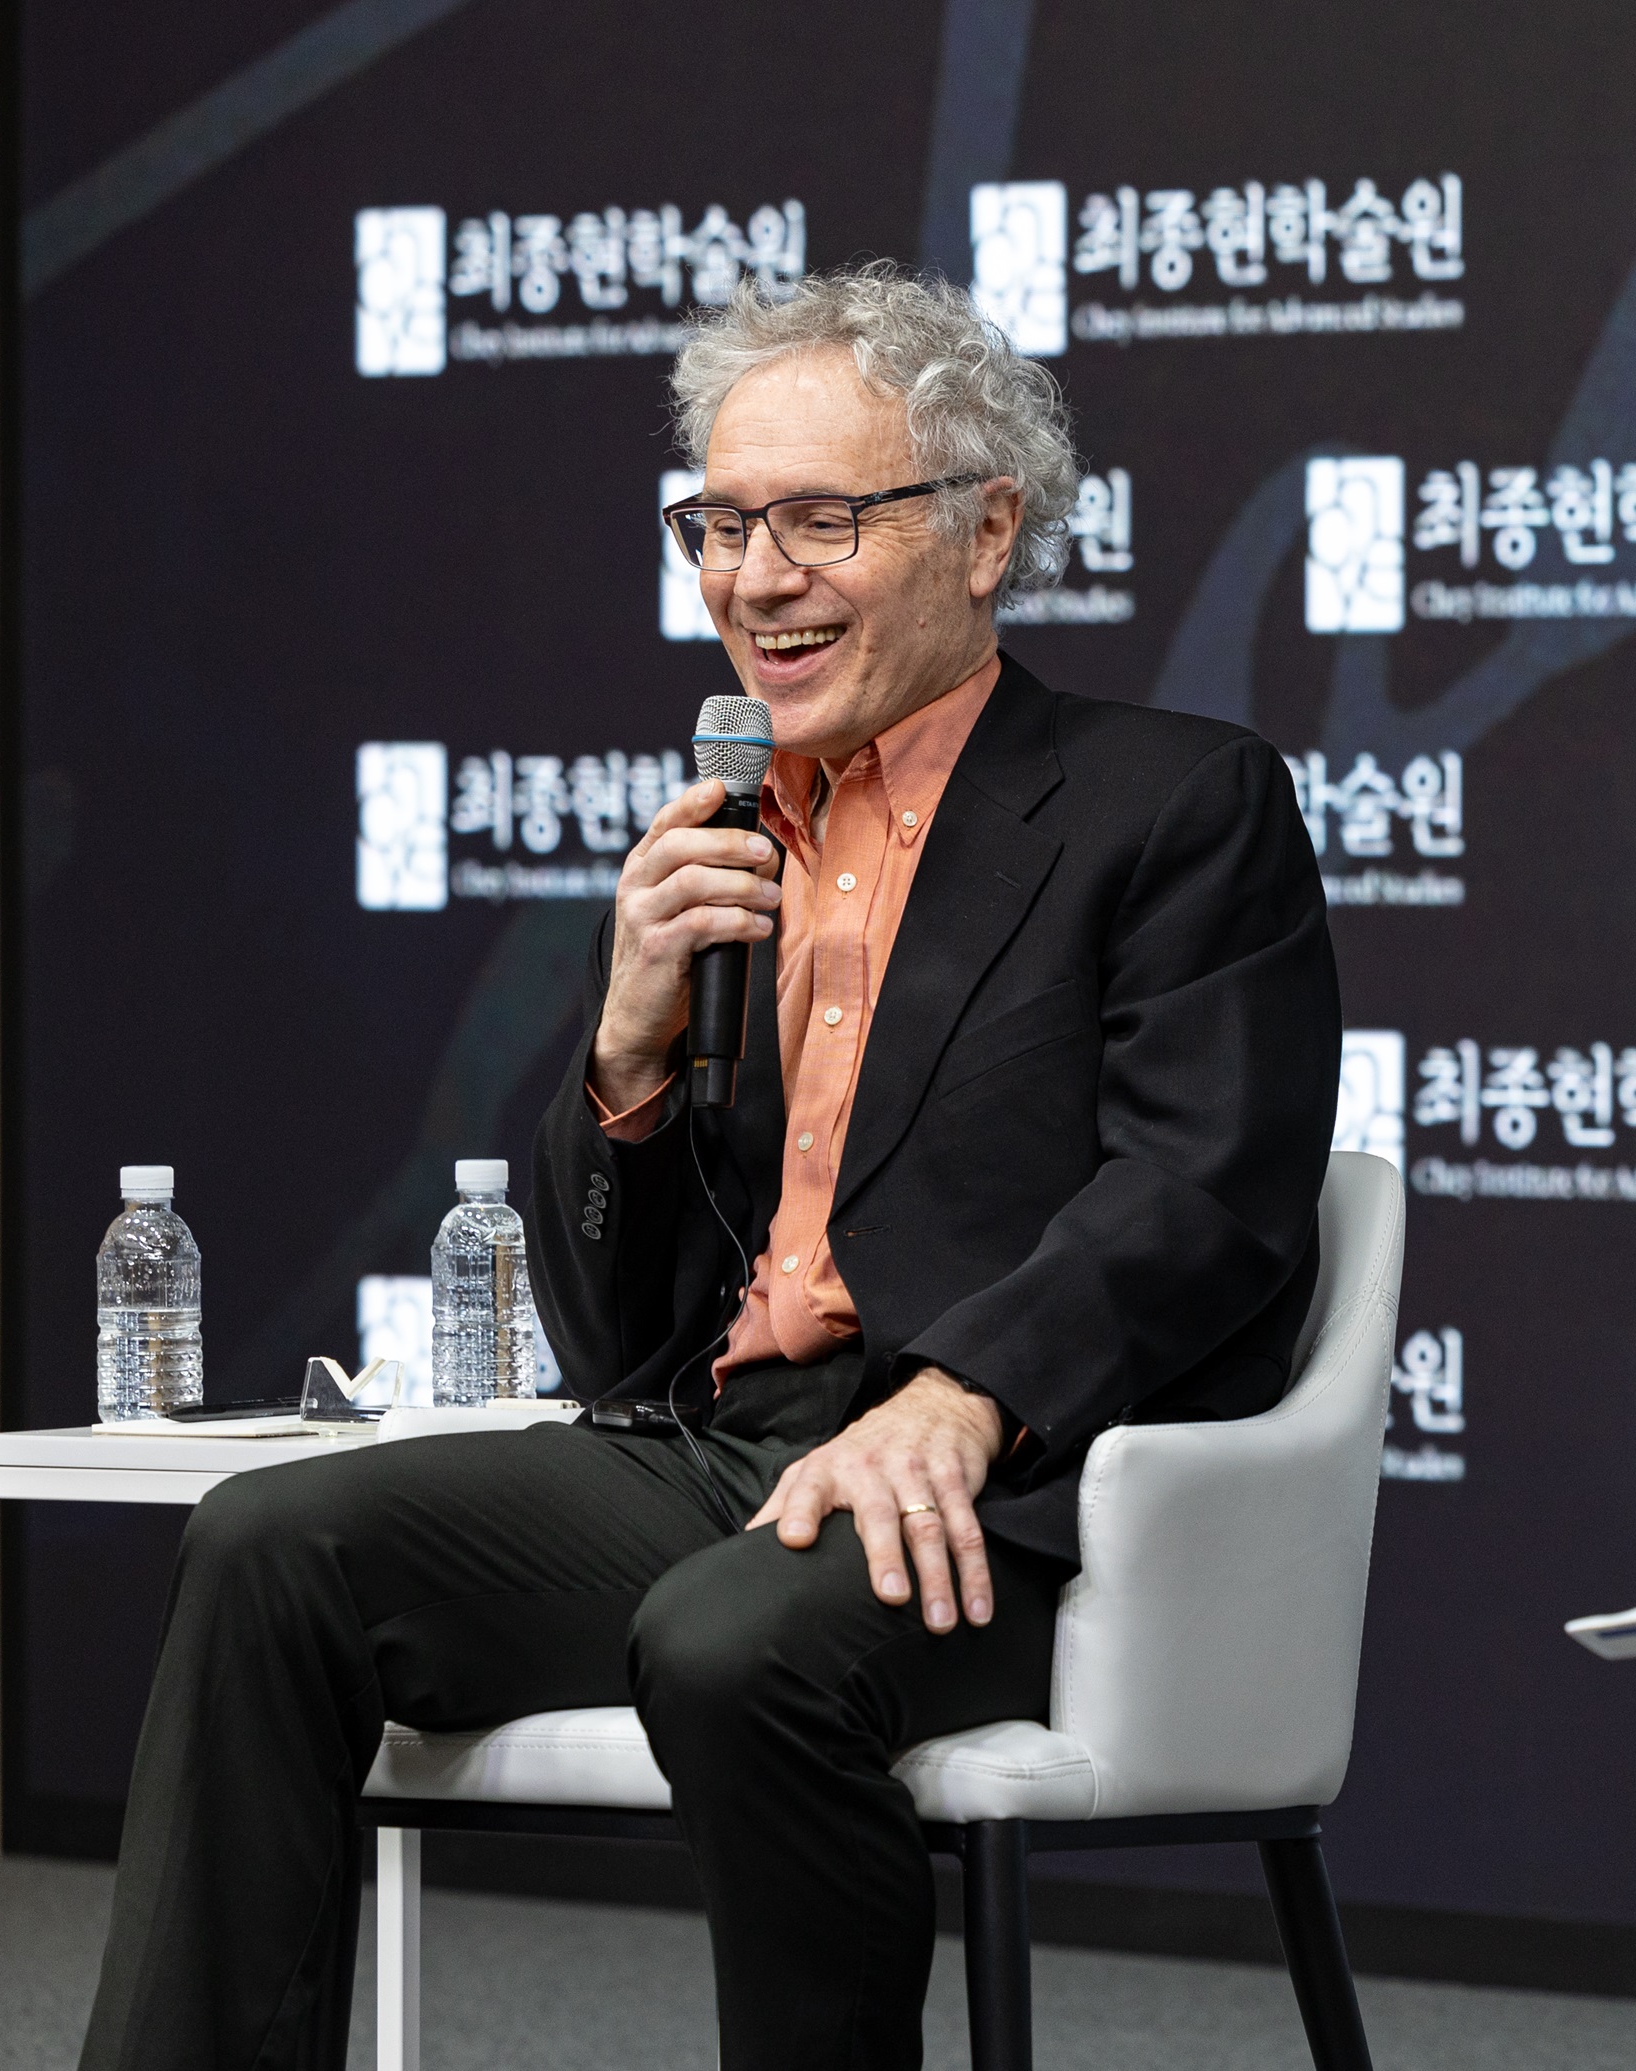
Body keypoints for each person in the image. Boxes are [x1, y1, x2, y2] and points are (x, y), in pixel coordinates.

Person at [80, 262, 1340, 2070]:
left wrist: (964, 1397)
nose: (756, 579)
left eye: (820, 520)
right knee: (268, 1548)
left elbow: (1205, 1189)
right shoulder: (727, 844)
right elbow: (616, 1341)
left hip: (1007, 1493)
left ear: (987, 532)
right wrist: (624, 1053)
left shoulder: (1172, 803)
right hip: (726, 1454)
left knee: (732, 1636)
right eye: (720, 525)